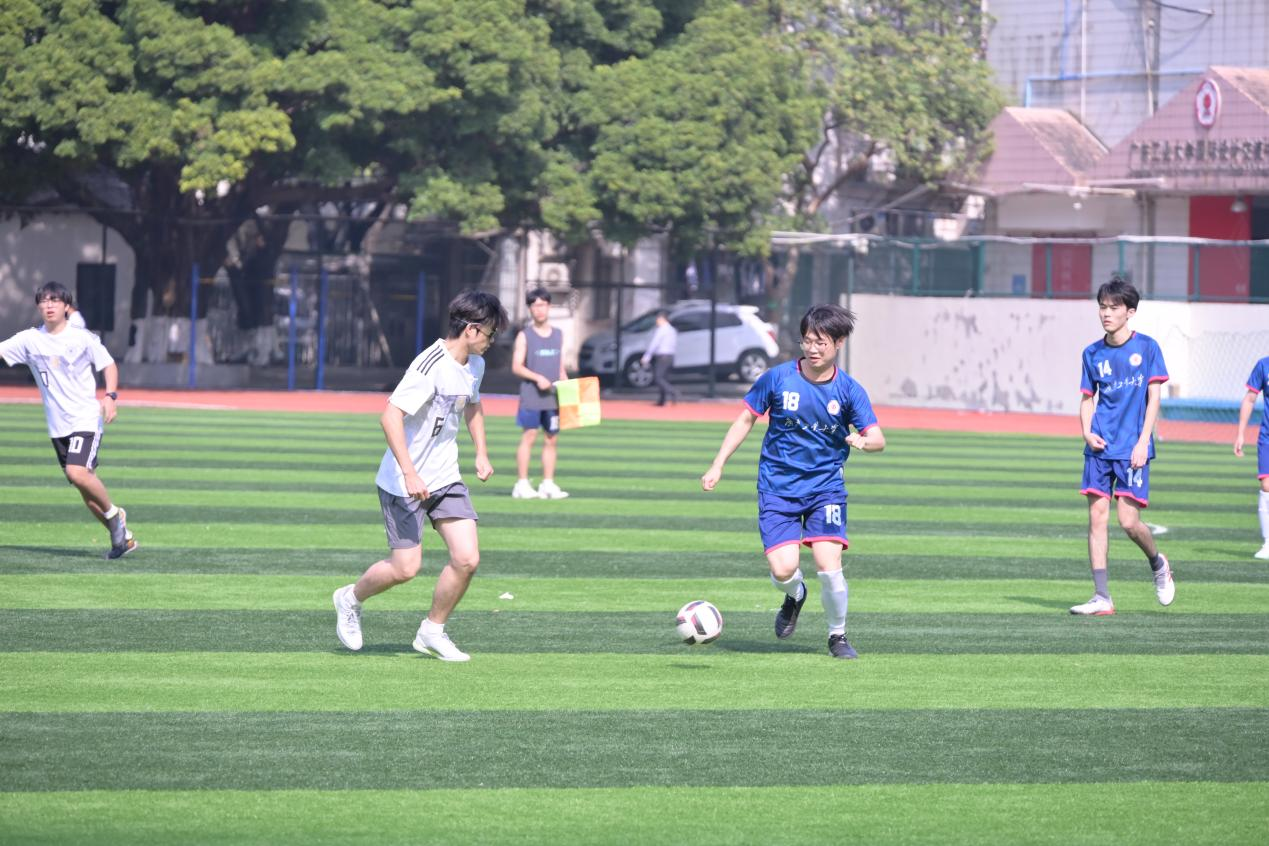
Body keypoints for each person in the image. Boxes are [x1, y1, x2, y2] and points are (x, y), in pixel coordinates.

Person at [701, 304, 885, 659]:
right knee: (783, 569)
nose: (812, 349)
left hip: (825, 489)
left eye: (821, 342)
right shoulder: (777, 378)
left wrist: (864, 442)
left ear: (839, 343)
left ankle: (837, 636)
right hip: (777, 487)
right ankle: (796, 594)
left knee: (829, 567)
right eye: (807, 341)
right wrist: (717, 464)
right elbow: (745, 419)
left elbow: (878, 438)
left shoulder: (849, 390)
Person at [332, 291, 509, 661]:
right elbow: (390, 417)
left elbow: (473, 405)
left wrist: (481, 452)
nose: (492, 341)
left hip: (445, 477)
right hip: (403, 482)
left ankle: (432, 630)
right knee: (405, 569)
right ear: (472, 330)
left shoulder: (474, 366)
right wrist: (410, 473)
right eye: (490, 333)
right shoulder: (429, 365)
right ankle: (350, 599)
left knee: (467, 559)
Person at [0, 282, 135, 558]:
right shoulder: (29, 340)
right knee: (86, 491)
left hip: (85, 419)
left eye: (55, 300)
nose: (49, 305)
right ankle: (125, 539)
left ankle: (115, 516)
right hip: (57, 427)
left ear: (66, 306)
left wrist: (110, 396)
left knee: (77, 472)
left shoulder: (82, 337)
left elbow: (108, 364)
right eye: (44, 300)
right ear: (38, 306)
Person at [1071, 275, 1174, 616]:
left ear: (1130, 312)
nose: (1106, 313)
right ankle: (1102, 596)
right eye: (1102, 307)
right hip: (1099, 448)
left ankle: (1158, 563)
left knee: (1129, 522)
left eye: (1113, 308)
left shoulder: (1147, 348)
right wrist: (1087, 433)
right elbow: (1087, 398)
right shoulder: (1091, 353)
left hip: (1133, 449)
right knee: (1096, 518)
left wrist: (1144, 441)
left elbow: (1154, 398)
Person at [510, 287, 569, 500]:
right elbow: (517, 366)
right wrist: (537, 378)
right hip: (532, 395)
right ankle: (522, 483)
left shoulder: (558, 334)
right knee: (530, 436)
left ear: (549, 306)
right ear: (530, 309)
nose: (539, 309)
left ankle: (548, 484)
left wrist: (564, 379)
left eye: (543, 305)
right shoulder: (524, 335)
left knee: (551, 439)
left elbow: (560, 365)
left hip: (553, 397)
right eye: (535, 306)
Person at [1233, 355, 1269, 560]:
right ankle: (1268, 542)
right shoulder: (1264, 365)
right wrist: (1240, 433)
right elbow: (1249, 399)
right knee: (1267, 485)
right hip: (1267, 437)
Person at [641, 309, 678, 406]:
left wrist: (647, 356)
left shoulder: (661, 330)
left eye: (658, 319)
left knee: (658, 378)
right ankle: (662, 400)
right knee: (664, 378)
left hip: (662, 356)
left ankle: (672, 391)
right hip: (670, 356)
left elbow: (654, 343)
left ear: (662, 319)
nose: (656, 321)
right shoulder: (672, 330)